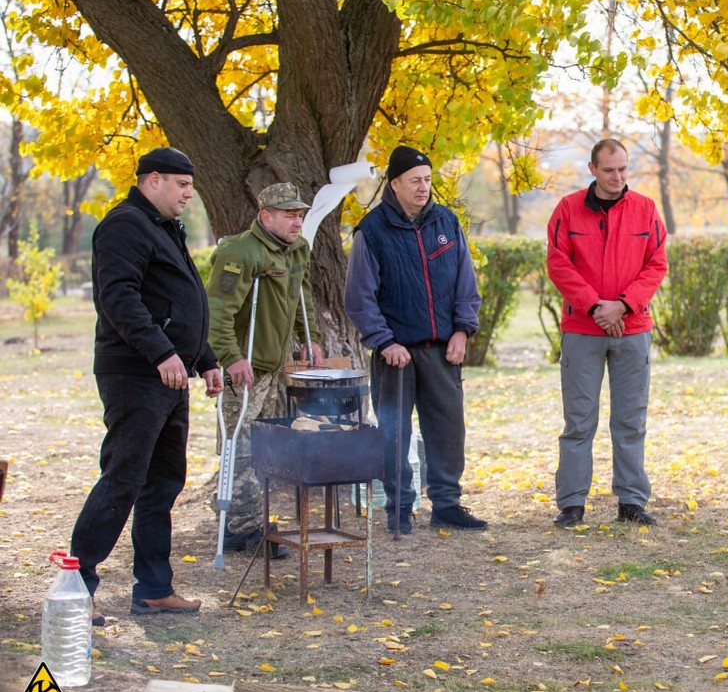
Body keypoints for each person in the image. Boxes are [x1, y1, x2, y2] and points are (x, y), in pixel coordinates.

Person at [70, 146, 223, 623]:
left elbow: (180, 301)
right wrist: (161, 353)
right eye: (182, 186)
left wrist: (207, 359)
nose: (188, 196)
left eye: (191, 187)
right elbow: (119, 299)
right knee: (124, 479)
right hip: (136, 374)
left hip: (172, 375)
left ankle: (154, 588)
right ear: (152, 179)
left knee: (162, 484)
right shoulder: (124, 225)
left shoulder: (163, 228)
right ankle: (75, 590)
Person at [345, 145, 485, 534]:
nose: (424, 188)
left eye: (427, 180)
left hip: (443, 351)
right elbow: (359, 297)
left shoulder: (446, 222)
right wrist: (384, 341)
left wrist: (462, 329)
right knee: (394, 433)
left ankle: (447, 505)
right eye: (415, 181)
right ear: (395, 184)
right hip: (396, 354)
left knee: (448, 429)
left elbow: (465, 284)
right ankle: (399, 508)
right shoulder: (371, 231)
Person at [546, 138, 668, 528]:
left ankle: (631, 501)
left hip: (632, 328)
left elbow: (656, 264)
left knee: (631, 419)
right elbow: (558, 263)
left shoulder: (646, 210)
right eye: (609, 170)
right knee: (579, 421)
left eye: (622, 169)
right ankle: (571, 503)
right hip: (583, 328)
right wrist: (597, 306)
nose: (617, 177)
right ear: (593, 170)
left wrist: (623, 304)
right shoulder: (567, 209)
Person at [205, 182, 325, 558]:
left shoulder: (297, 250)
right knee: (238, 446)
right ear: (265, 216)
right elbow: (218, 311)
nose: (297, 221)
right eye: (289, 215)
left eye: (300, 214)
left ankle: (254, 518)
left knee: (269, 446)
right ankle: (242, 524)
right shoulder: (240, 252)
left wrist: (311, 337)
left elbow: (302, 294)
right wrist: (229, 357)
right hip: (247, 367)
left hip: (277, 366)